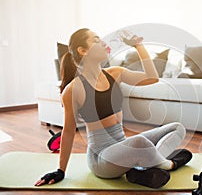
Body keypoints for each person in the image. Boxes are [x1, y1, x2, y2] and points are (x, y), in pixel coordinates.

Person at [35, 28, 192, 188]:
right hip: (102, 159)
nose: (103, 42)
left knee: (177, 128)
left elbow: (152, 78)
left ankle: (139, 168)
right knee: (139, 142)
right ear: (83, 51)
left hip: (123, 147)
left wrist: (138, 46)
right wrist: (60, 170)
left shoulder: (115, 74)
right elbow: (68, 132)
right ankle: (168, 164)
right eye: (96, 40)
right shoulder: (73, 89)